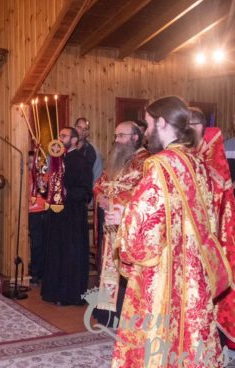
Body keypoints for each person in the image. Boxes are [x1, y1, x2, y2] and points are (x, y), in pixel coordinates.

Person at [107, 96, 231, 367]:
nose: (147, 132)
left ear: (162, 122)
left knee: (159, 333)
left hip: (164, 269)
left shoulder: (159, 165)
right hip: (194, 267)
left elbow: (145, 229)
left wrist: (123, 218)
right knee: (188, 330)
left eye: (149, 124)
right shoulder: (196, 162)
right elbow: (205, 216)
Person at [92, 121, 149, 325]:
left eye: (121, 136)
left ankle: (124, 315)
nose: (117, 140)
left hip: (128, 225)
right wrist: (100, 196)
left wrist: (113, 201)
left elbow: (142, 193)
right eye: (116, 136)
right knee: (107, 264)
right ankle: (106, 311)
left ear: (135, 137)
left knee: (123, 268)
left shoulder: (146, 162)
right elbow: (101, 182)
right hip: (109, 222)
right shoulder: (118, 159)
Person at [189, 107, 235, 350]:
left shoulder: (212, 153)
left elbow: (219, 197)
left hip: (213, 234)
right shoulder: (188, 151)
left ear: (198, 126)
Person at [40, 127, 92, 306]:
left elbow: (86, 192)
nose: (60, 139)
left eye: (64, 136)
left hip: (73, 216)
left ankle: (69, 295)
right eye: (59, 135)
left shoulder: (81, 161)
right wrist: (44, 187)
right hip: (56, 216)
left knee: (70, 255)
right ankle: (53, 292)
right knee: (55, 253)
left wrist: (67, 192)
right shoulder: (56, 159)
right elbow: (51, 189)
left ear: (74, 140)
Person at [27, 150, 48, 286]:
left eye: (35, 161)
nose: (33, 164)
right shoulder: (27, 177)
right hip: (33, 213)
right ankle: (35, 274)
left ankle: (44, 274)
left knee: (46, 244)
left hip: (46, 212)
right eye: (30, 162)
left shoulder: (45, 175)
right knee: (36, 244)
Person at [75, 117, 103, 185]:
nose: (81, 131)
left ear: (87, 132)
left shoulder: (93, 151)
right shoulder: (65, 147)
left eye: (85, 129)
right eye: (79, 127)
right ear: (74, 127)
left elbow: (97, 177)